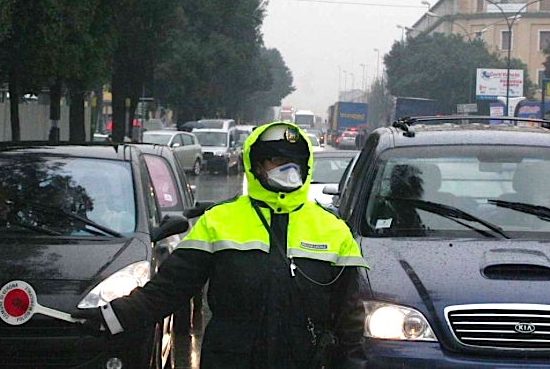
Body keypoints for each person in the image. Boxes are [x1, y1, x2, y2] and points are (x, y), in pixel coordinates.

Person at [76, 122, 369, 369]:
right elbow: (168, 290)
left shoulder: (333, 229)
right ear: (256, 166)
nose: (286, 169)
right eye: (276, 161)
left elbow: (350, 319)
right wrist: (114, 316)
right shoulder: (219, 221)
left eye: (294, 162)